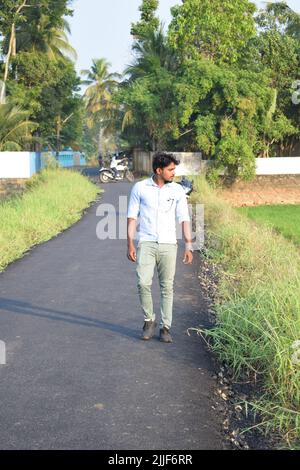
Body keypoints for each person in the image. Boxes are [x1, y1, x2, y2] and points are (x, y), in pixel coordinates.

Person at [127, 152, 193, 343]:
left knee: (167, 287)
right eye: (171, 169)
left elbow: (184, 218)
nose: (174, 173)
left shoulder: (178, 191)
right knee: (143, 283)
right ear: (159, 170)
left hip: (168, 244)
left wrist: (189, 245)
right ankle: (149, 320)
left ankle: (165, 327)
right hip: (146, 242)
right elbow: (132, 217)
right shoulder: (140, 188)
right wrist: (130, 242)